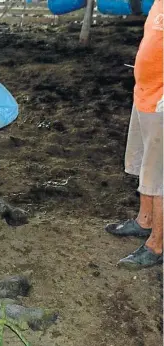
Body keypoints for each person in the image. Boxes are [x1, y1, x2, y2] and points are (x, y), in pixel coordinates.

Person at [104, 0, 162, 270]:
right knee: (146, 169)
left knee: (160, 177)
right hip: (145, 96)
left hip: (162, 101)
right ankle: (144, 221)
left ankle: (157, 245)